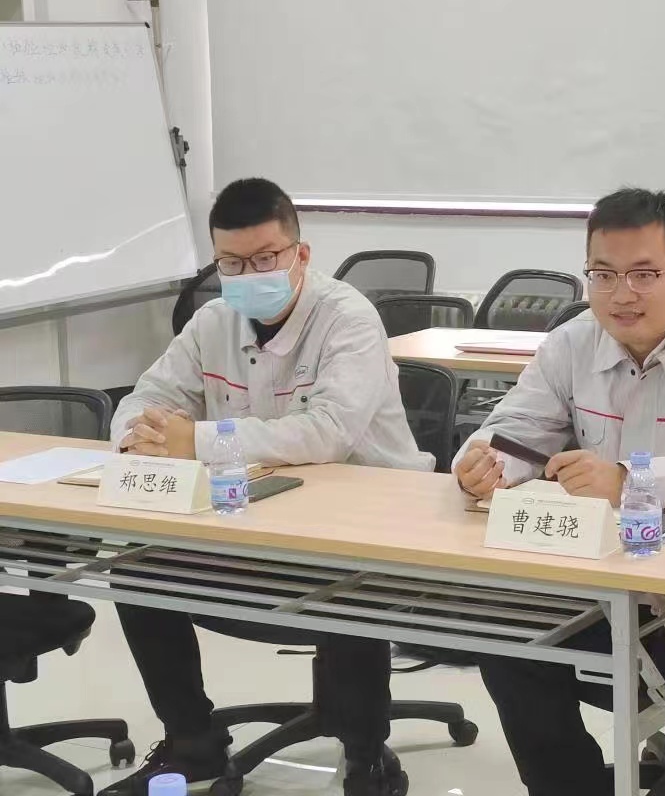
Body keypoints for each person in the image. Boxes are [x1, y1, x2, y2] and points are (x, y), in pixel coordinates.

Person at [454, 187, 665, 796]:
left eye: (644, 274)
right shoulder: (571, 342)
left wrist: (629, 480)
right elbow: (513, 430)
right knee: (507, 638)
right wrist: (483, 464)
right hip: (611, 570)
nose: (621, 294)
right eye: (603, 274)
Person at [101, 178, 428, 796]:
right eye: (231, 263)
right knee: (137, 571)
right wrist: (137, 436)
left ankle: (367, 754)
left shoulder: (348, 319)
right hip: (253, 515)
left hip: (367, 523)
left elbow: (328, 432)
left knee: (351, 586)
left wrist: (196, 440)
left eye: (265, 258)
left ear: (300, 254)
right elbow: (147, 397)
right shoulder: (212, 322)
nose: (248, 275)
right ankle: (192, 741)